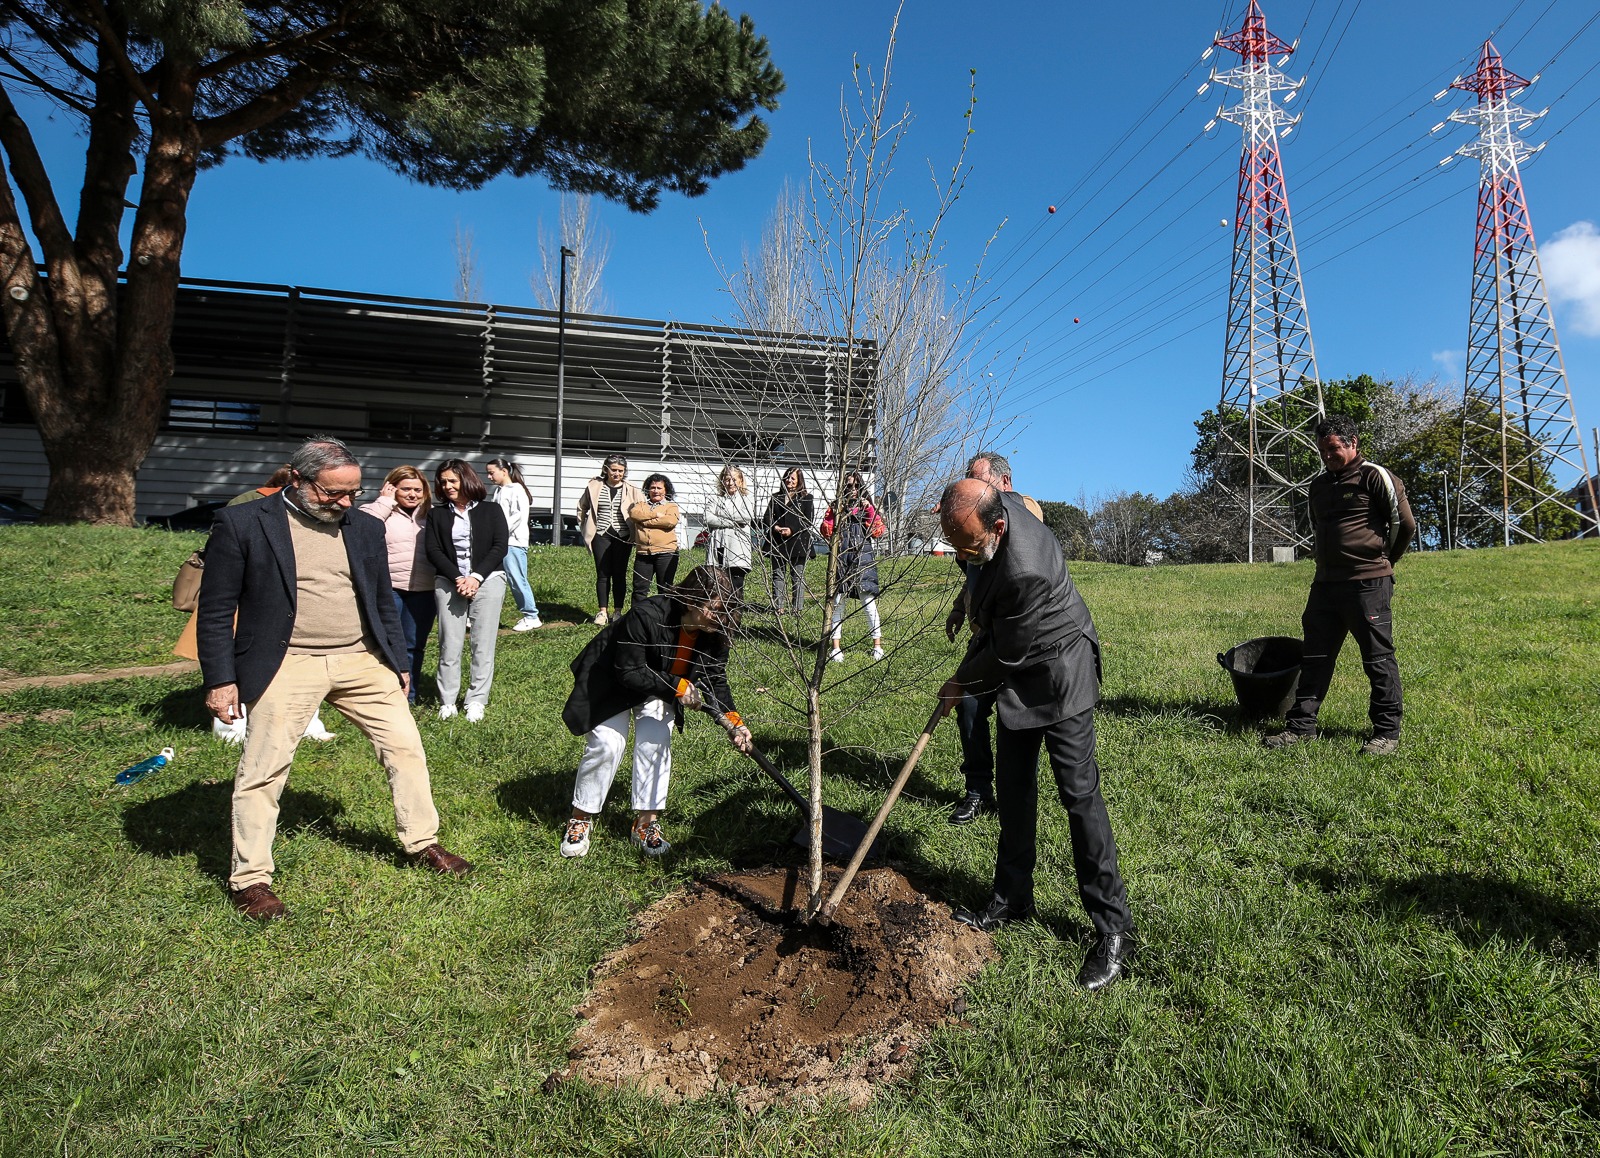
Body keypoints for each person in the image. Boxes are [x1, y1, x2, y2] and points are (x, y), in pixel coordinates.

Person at [197, 436, 472, 921]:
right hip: (285, 661)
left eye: (353, 493)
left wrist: (398, 661)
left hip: (362, 659)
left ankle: (422, 842)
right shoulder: (242, 522)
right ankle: (250, 879)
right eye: (333, 493)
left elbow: (381, 599)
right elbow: (217, 608)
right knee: (264, 768)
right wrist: (221, 680)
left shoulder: (364, 526)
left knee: (405, 748)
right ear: (297, 479)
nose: (345, 503)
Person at [935, 478, 1135, 991]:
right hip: (1017, 669)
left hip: (1059, 671)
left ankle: (1114, 930)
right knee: (1013, 788)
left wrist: (960, 682)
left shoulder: (1026, 568)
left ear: (998, 527)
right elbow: (985, 597)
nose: (962, 557)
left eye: (968, 547)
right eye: (955, 546)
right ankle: (1012, 898)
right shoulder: (987, 517)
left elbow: (1005, 650)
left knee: (1079, 796)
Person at [558, 566, 754, 858]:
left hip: (659, 688)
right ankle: (581, 817)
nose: (723, 618)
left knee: (656, 740)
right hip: (613, 681)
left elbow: (715, 678)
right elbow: (629, 670)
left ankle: (645, 824)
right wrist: (678, 686)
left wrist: (734, 723)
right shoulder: (647, 614)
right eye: (716, 610)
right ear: (692, 601)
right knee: (608, 744)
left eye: (727, 611)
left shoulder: (714, 631)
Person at [1263, 415, 1417, 755]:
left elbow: (1405, 525)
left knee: (1377, 659)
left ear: (1352, 443)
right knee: (1315, 656)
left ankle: (1386, 733)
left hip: (1368, 583)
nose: (1327, 456)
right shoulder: (1318, 486)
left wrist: (1385, 560)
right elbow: (1317, 527)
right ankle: (1301, 727)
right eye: (1322, 451)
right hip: (1325, 585)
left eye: (1333, 449)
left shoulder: (1375, 476)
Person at [181, 464, 334, 743]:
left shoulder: (308, 509)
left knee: (297, 661)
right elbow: (223, 547)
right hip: (247, 597)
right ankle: (232, 730)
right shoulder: (249, 504)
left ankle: (296, 726)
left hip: (288, 596)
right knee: (242, 661)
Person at [946, 451, 1046, 826]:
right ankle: (978, 790)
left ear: (1004, 481)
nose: (973, 487)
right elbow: (978, 567)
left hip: (1020, 636)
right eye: (969, 479)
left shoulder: (1024, 509)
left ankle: (1015, 796)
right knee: (969, 706)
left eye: (979, 479)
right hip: (984, 634)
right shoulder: (979, 522)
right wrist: (960, 608)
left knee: (1017, 718)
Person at [424, 459, 509, 722]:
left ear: (466, 480)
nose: (447, 486)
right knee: (449, 643)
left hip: (488, 579)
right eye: (443, 482)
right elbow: (433, 550)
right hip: (449, 581)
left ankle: (476, 700)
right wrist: (458, 578)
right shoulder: (437, 514)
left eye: (452, 480)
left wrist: (476, 577)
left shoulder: (491, 510)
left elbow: (500, 545)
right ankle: (448, 701)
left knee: (483, 643)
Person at [360, 466, 437, 705]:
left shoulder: (431, 516)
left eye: (418, 490)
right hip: (389, 590)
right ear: (392, 488)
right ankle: (384, 694)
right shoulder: (377, 510)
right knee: (387, 644)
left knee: (414, 645)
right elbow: (363, 531)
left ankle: (409, 696)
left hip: (424, 591)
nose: (412, 494)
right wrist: (385, 502)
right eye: (405, 489)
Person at [821, 470, 885, 662]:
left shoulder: (868, 507)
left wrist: (869, 510)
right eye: (849, 485)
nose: (853, 489)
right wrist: (834, 513)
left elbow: (878, 531)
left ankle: (877, 646)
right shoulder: (836, 507)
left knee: (869, 604)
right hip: (841, 560)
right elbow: (826, 530)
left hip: (863, 560)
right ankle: (836, 648)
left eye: (857, 485)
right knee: (838, 603)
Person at [576, 454, 644, 626]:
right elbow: (582, 507)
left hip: (623, 536)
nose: (617, 474)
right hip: (601, 534)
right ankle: (602, 612)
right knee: (603, 573)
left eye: (621, 471)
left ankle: (618, 611)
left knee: (619, 573)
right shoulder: (594, 486)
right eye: (614, 470)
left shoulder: (632, 489)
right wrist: (584, 527)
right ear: (606, 469)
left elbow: (642, 509)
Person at [485, 456, 542, 632]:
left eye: (491, 473)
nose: (489, 477)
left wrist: (500, 533)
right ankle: (481, 614)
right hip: (499, 542)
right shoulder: (498, 491)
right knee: (489, 577)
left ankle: (531, 616)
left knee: (516, 578)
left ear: (504, 471)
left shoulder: (517, 490)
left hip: (513, 542)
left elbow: (518, 516)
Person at [762, 467, 815, 613]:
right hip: (778, 541)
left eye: (793, 478)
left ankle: (797, 608)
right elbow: (767, 516)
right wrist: (776, 527)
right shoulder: (776, 497)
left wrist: (792, 529)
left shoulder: (806, 498)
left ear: (799, 481)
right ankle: (778, 607)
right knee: (777, 575)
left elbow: (808, 520)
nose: (789, 480)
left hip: (798, 542)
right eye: (787, 477)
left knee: (797, 576)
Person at [703, 464, 755, 598]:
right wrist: (732, 522)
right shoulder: (715, 499)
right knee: (717, 589)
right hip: (718, 545)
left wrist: (720, 514)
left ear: (740, 481)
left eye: (734, 479)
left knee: (736, 590)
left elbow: (745, 516)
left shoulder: (746, 498)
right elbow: (707, 518)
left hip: (737, 550)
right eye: (727, 479)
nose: (730, 483)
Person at [629, 473, 681, 602]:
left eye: (659, 488)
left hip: (666, 553)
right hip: (643, 553)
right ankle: (638, 614)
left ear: (666, 490)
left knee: (665, 589)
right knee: (639, 589)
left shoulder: (671, 506)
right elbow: (634, 514)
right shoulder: (641, 505)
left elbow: (670, 522)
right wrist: (655, 515)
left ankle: (663, 614)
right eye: (652, 488)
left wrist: (644, 522)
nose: (655, 491)